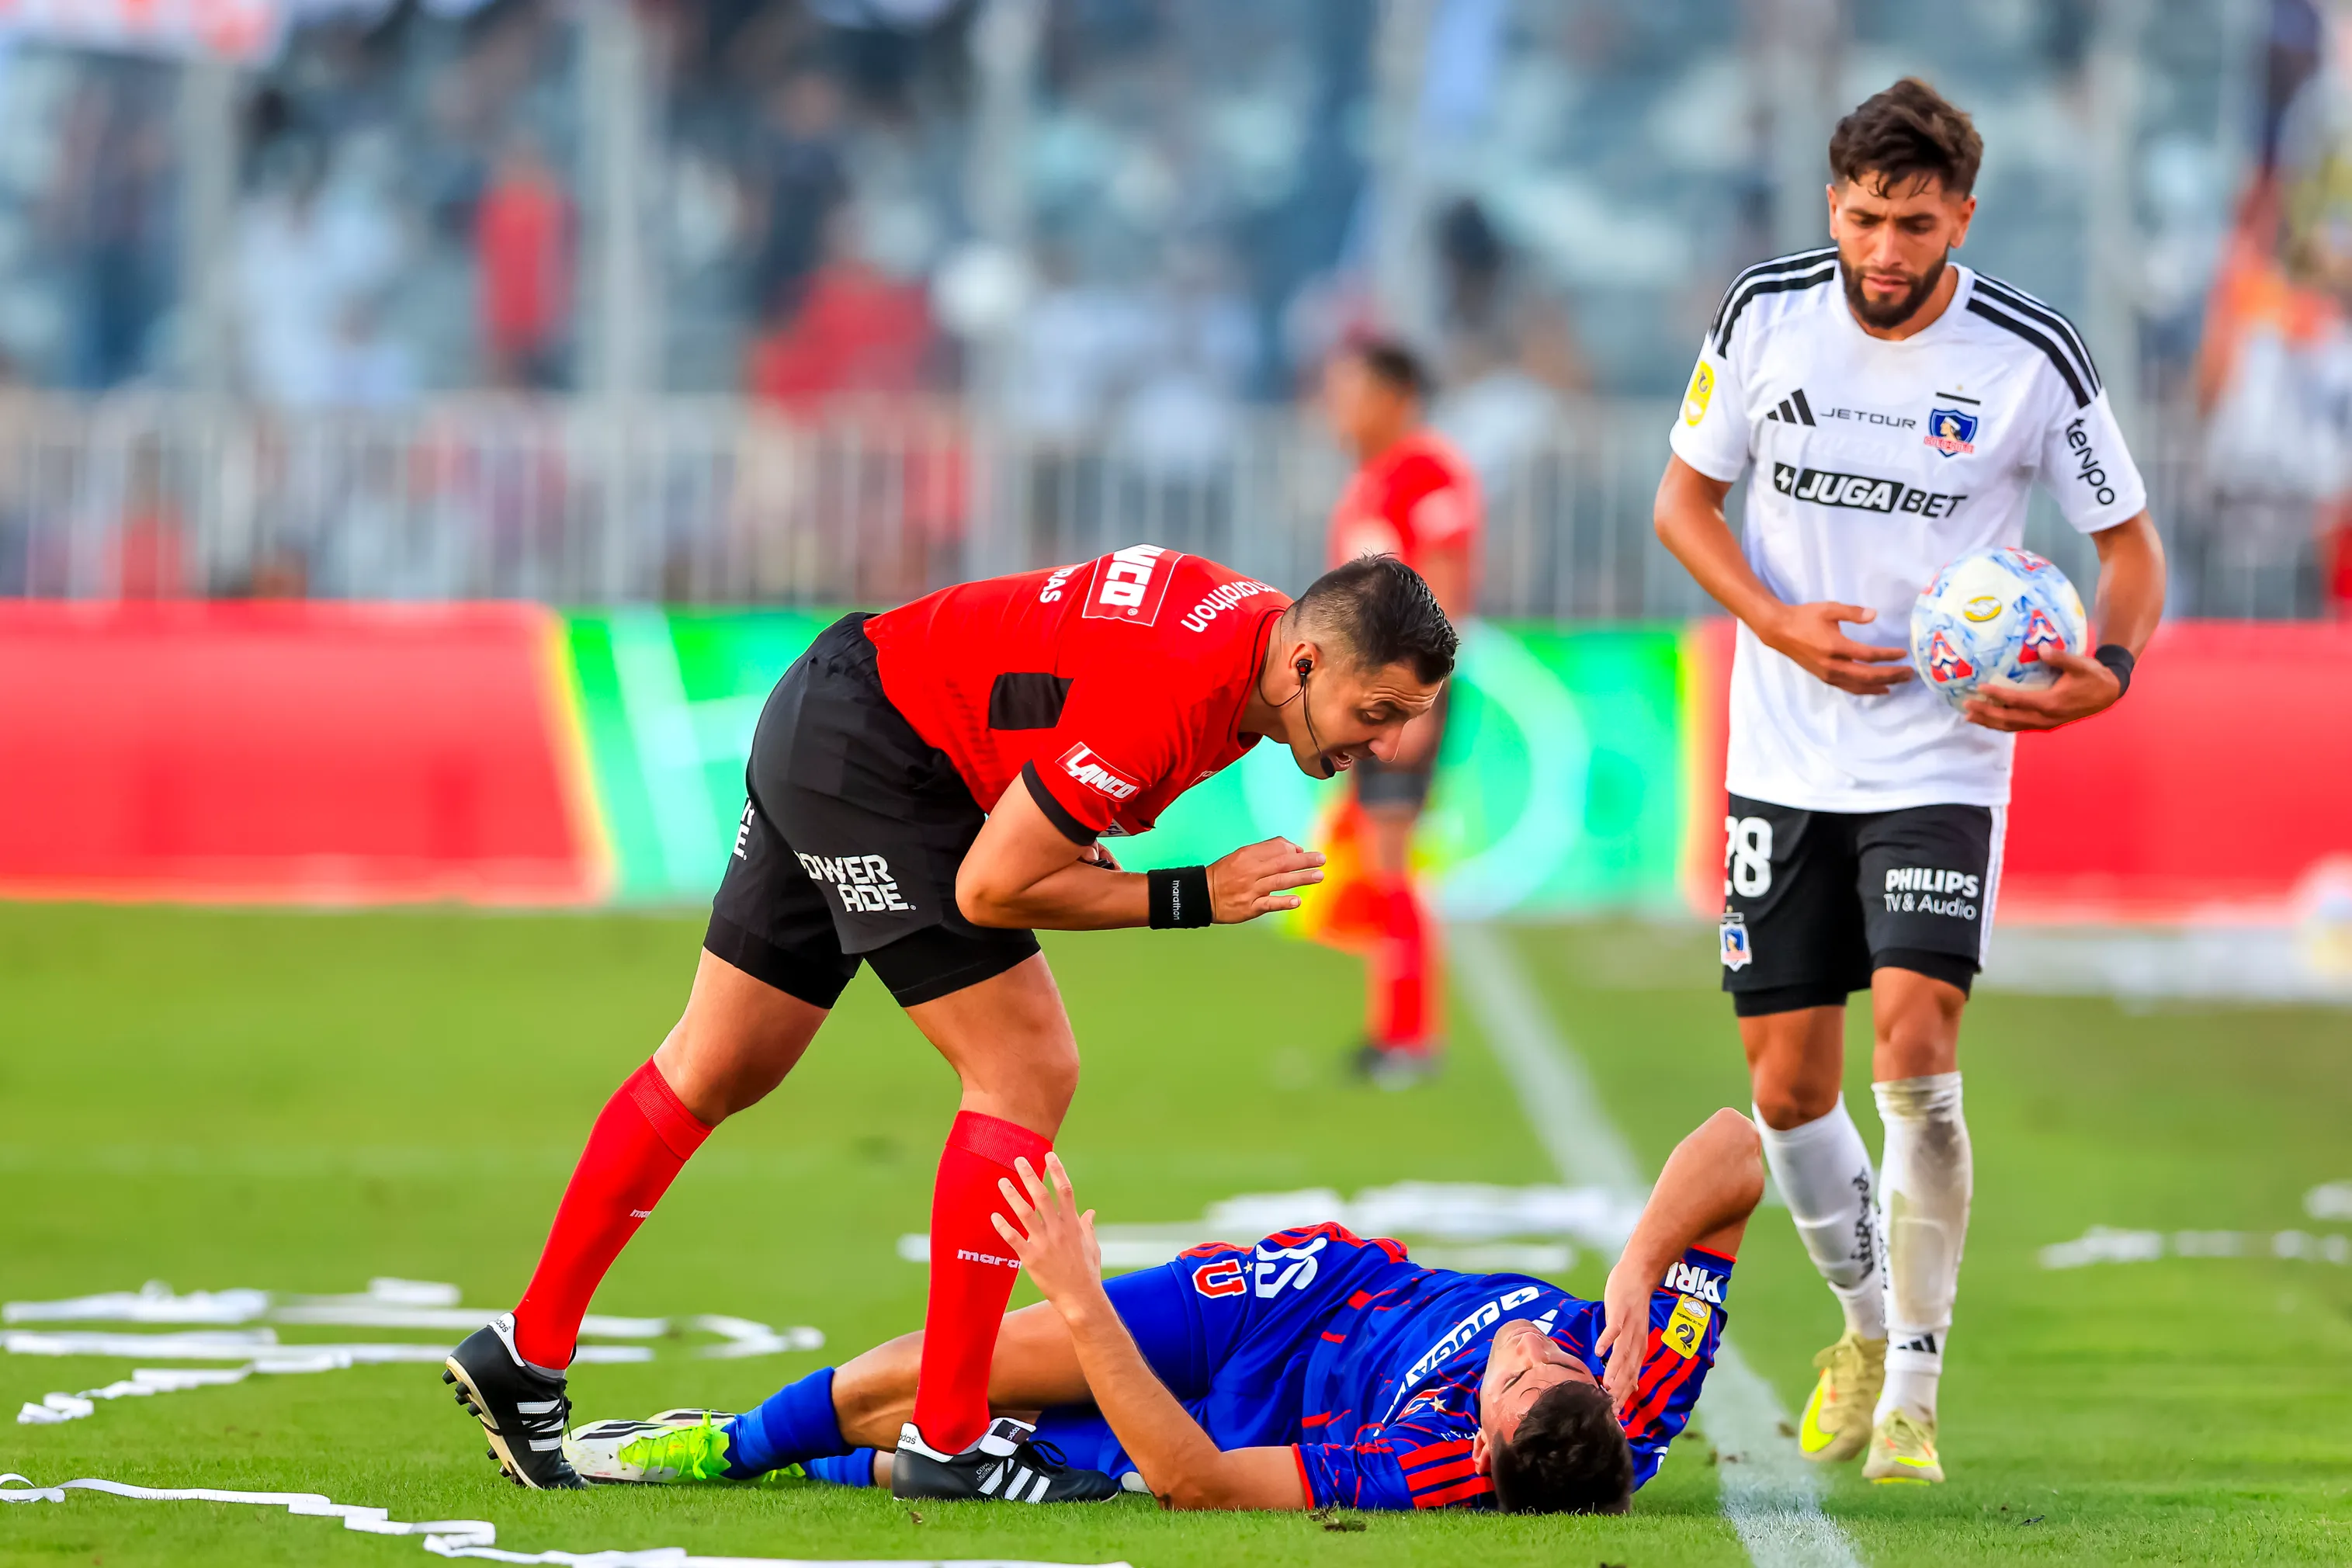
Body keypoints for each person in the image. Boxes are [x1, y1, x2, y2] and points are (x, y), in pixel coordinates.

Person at [443, 550, 1458, 1497]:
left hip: (846, 717)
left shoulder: (1243, 639)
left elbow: (1044, 709)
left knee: (717, 1063)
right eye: (1375, 711)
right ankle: (949, 1434)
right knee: (1025, 1065)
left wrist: (1059, 832)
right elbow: (991, 887)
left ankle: (525, 1352)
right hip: (879, 758)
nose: (1385, 743)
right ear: (1307, 659)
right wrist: (1195, 894)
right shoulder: (1179, 689)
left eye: (1404, 720)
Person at [1652, 78, 2168, 1484]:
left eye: (1917, 224)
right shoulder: (1765, 314)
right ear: (1834, 207)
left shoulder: (2027, 356)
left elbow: (2129, 552)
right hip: (1781, 748)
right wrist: (1776, 623)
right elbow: (1680, 505)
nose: (1887, 250)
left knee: (1918, 1051)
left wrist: (2102, 674)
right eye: (1868, 218)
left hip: (1943, 749)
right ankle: (1867, 1324)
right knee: (1787, 1088)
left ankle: (1917, 1399)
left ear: (1963, 219)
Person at [562, 1107, 1765, 1514]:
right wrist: (1641, 1258)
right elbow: (1735, 1148)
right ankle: (727, 1446)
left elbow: (1201, 1483)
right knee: (942, 1373)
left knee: (943, 1454)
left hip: (1243, 1422)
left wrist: (1083, 1302)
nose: (1523, 1347)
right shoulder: (1638, 1376)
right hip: (1295, 1301)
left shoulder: (1423, 1469)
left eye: (1507, 1385)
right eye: (1546, 1360)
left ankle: (752, 1461)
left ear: (1479, 1446)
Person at [1320, 338, 1483, 1083]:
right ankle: (1393, 1028)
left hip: (1400, 694)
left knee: (1392, 854)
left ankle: (1410, 1036)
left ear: (1396, 397)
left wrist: (1418, 701)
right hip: (1366, 694)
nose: (1338, 409)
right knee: (1376, 855)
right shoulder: (1370, 480)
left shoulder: (1427, 472)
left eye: (1351, 392)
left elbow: (1445, 586)